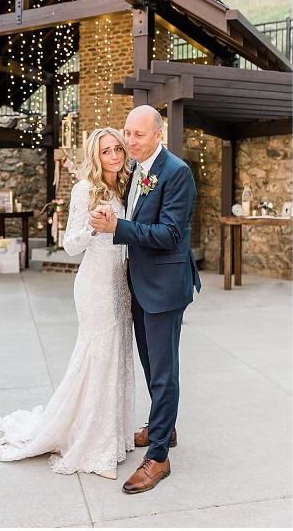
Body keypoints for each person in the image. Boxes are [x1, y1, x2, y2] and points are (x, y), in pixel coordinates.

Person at [0, 128, 135, 480]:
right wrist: (94, 227)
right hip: (95, 285)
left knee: (116, 359)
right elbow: (70, 245)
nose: (114, 156)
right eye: (106, 151)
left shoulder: (127, 187)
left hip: (122, 284)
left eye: (118, 148)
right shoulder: (85, 189)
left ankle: (113, 435)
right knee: (97, 359)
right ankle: (95, 447)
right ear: (95, 156)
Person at [90, 105, 201, 494]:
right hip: (138, 282)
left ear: (158, 134)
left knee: (163, 371)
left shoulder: (177, 172)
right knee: (151, 364)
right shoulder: (137, 169)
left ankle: (158, 457)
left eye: (138, 134)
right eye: (127, 132)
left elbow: (171, 234)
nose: (130, 141)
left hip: (165, 286)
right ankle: (163, 429)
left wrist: (117, 227)